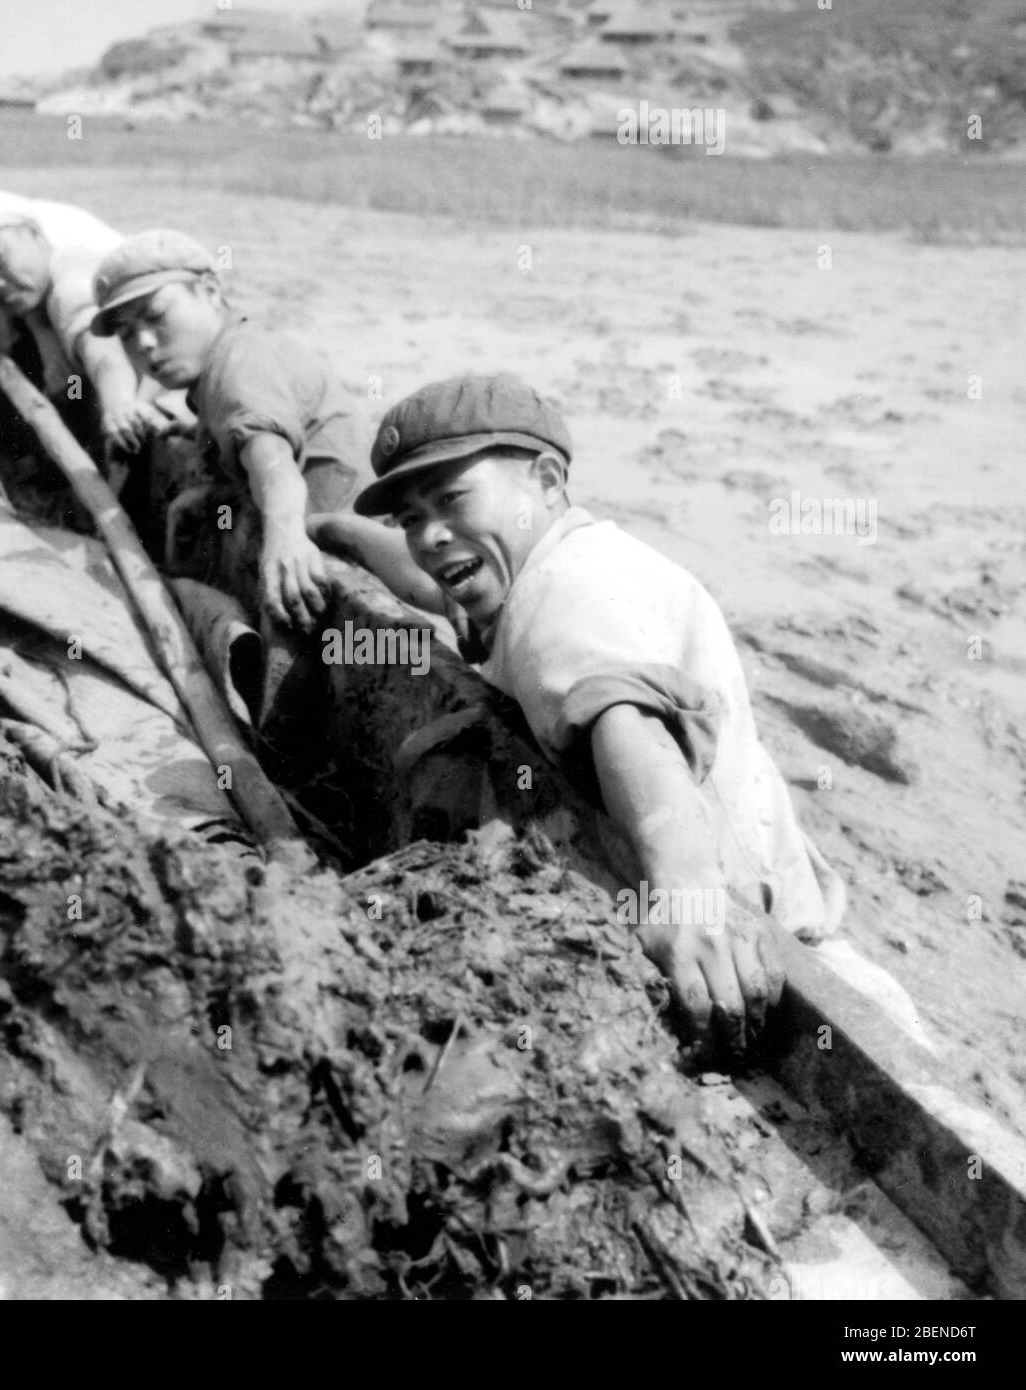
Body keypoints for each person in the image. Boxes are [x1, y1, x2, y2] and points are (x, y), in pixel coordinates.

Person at [314, 373, 849, 1054]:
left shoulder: (563, 596)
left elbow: (625, 718)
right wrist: (336, 532)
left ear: (544, 478)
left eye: (450, 498)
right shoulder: (532, 561)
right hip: (773, 867)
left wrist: (685, 896)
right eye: (411, 518)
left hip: (746, 917)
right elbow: (427, 577)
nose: (431, 535)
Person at [89, 229, 374, 630]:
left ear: (208, 290)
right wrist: (197, 437)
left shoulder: (238, 366)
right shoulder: (229, 357)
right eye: (127, 334)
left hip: (360, 552)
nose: (146, 343)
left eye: (155, 316)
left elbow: (272, 464)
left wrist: (285, 540)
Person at [0, 191, 161, 454]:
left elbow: (102, 352)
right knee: (68, 384)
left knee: (72, 386)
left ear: (34, 234)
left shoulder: (71, 283)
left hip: (148, 375)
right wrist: (43, 336)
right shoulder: (38, 264)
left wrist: (118, 405)